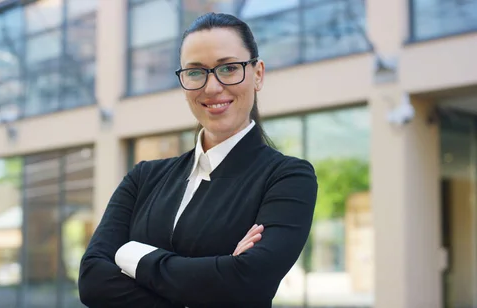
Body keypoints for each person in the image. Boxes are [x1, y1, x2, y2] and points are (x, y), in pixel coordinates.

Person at [78, 12, 317, 308]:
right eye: (195, 72)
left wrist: (132, 256)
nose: (212, 87)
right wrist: (217, 274)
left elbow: (248, 281)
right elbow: (92, 281)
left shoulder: (287, 178)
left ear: (258, 74)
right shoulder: (143, 179)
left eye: (229, 68)